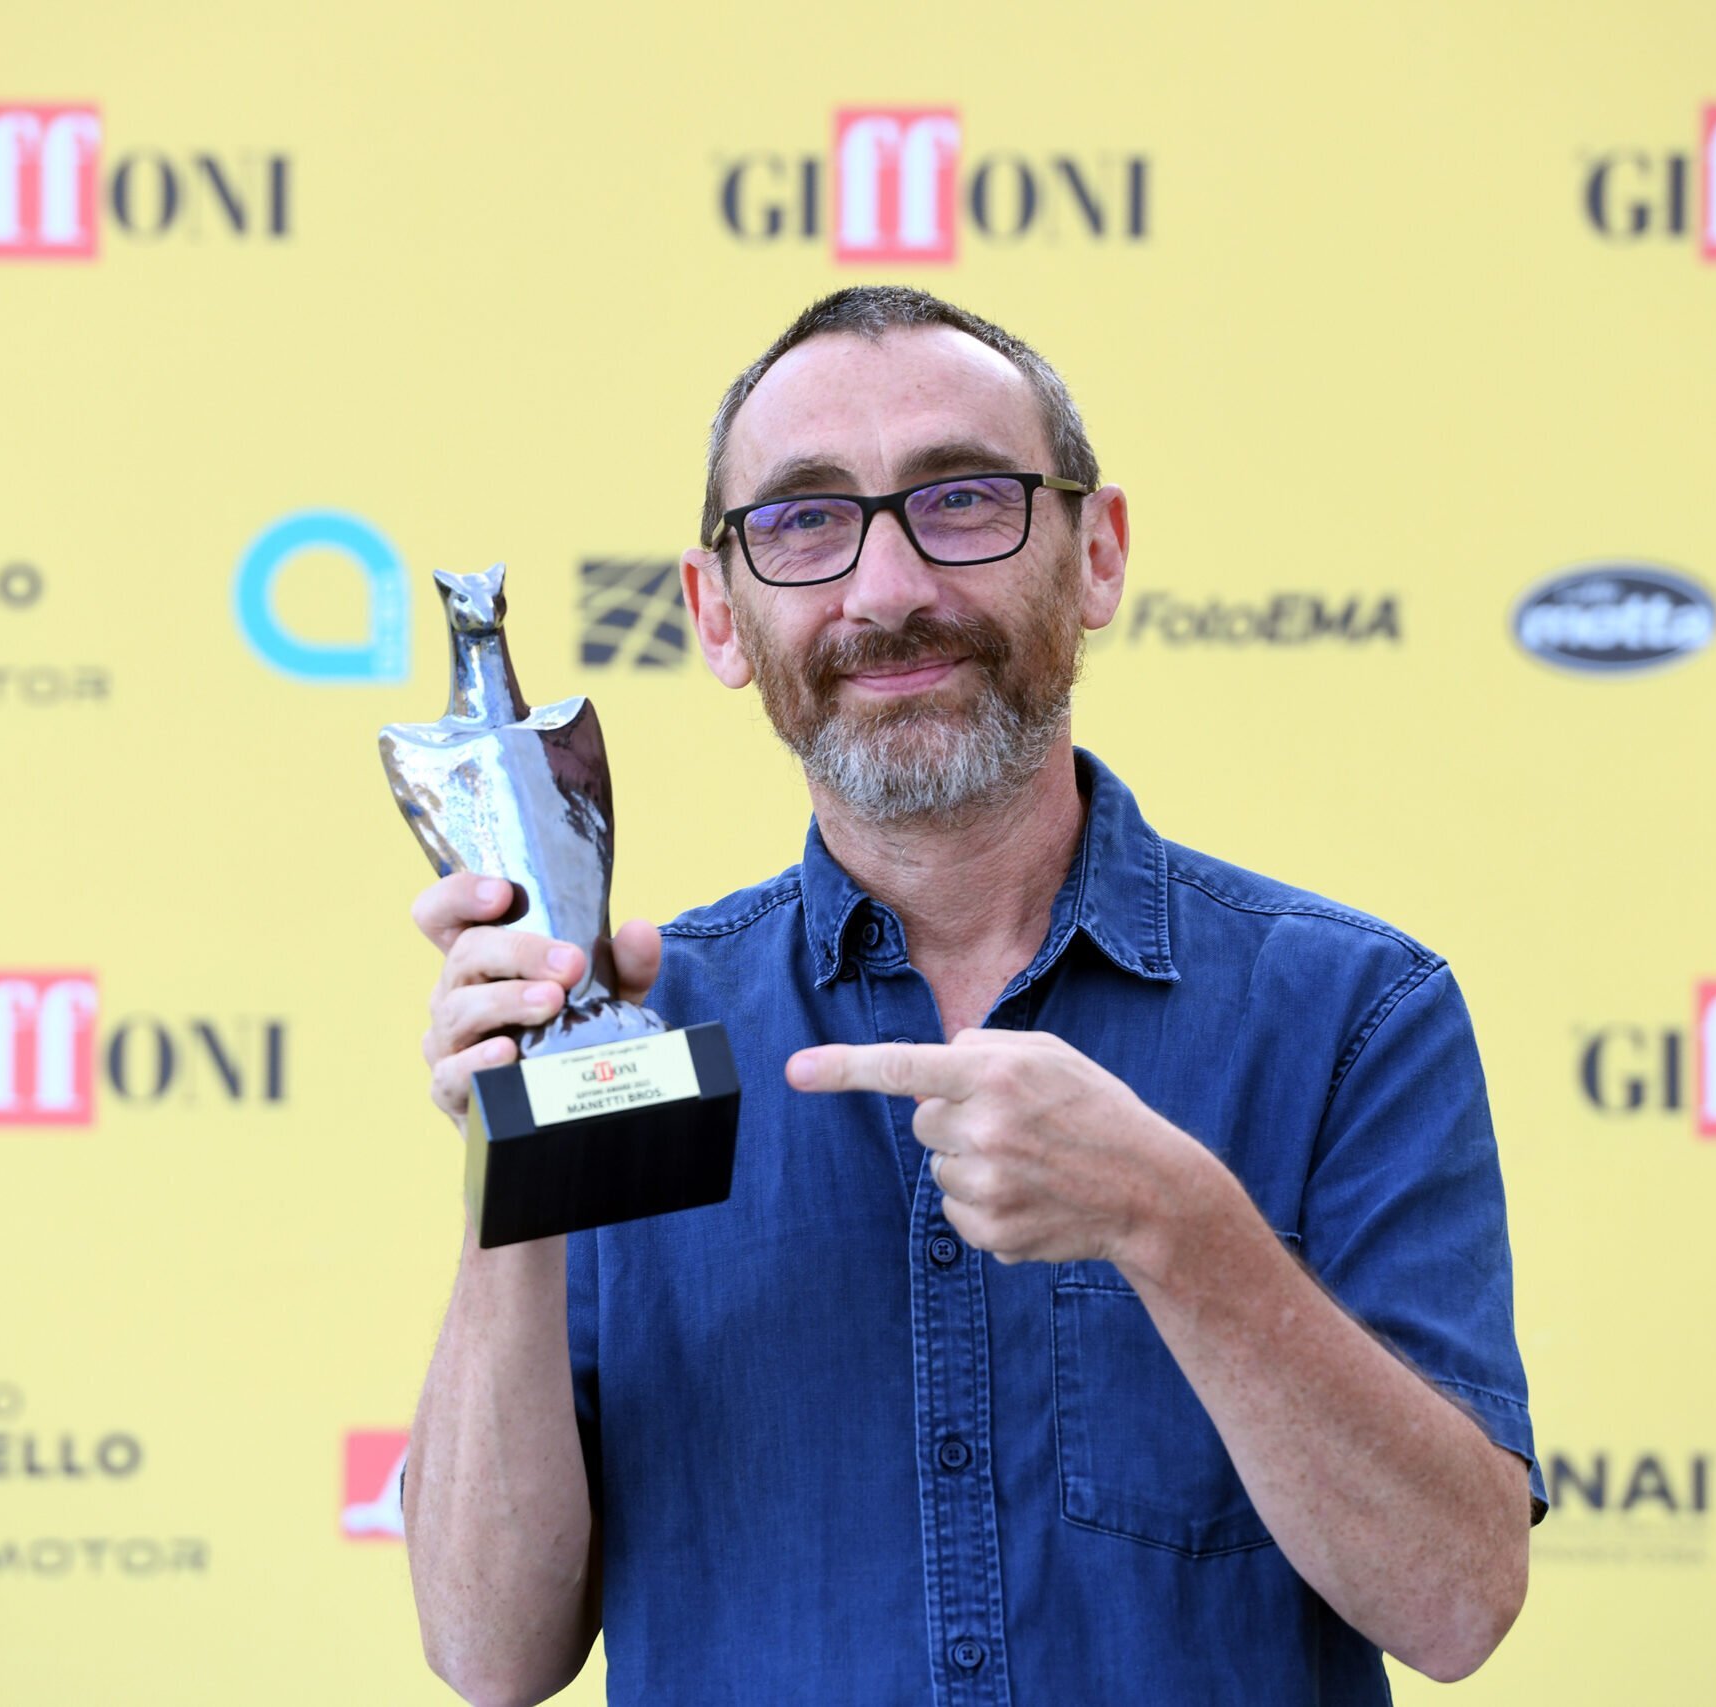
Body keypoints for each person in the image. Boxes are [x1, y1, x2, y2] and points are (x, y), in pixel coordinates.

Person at [399, 286, 1542, 1707]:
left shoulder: (1351, 1013)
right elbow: (489, 1653)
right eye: (805, 521)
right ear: (718, 613)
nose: (887, 592)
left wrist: (1177, 1226)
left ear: (1097, 554)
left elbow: (1457, 1603)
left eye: (962, 501)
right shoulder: (632, 1020)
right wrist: (515, 1151)